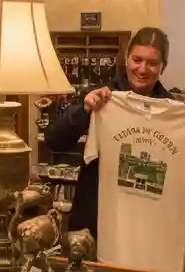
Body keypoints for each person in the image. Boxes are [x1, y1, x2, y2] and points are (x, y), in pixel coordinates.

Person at [44, 27, 175, 239]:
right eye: (137, 60)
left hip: (146, 220)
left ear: (163, 67)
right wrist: (84, 110)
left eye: (152, 63)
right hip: (97, 217)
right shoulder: (101, 97)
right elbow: (54, 140)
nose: (142, 69)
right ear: (127, 58)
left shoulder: (172, 111)